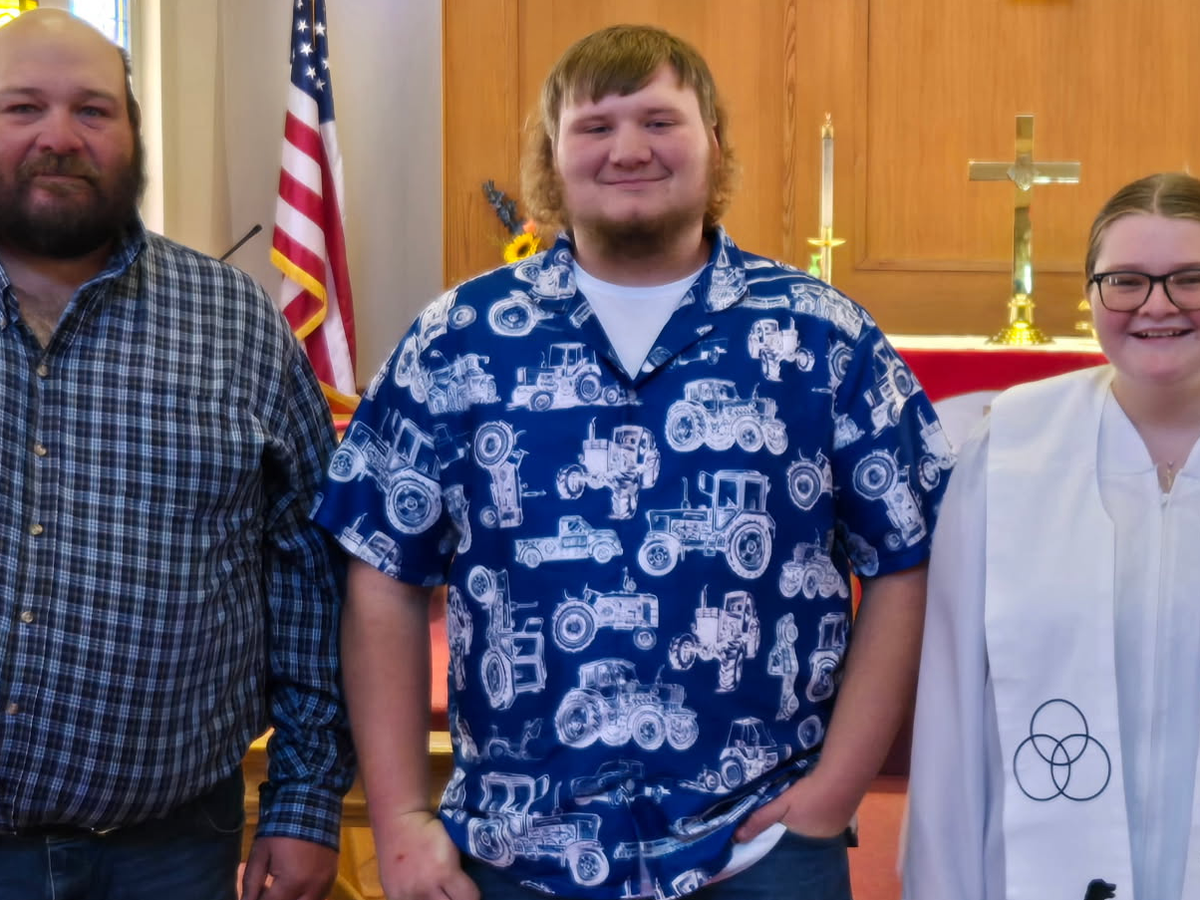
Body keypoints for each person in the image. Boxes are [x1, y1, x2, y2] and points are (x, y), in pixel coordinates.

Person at [315, 23, 945, 900]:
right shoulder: (457, 340)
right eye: (596, 126)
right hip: (517, 852)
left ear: (713, 140)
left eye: (658, 121)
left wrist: (834, 791)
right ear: (553, 153)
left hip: (760, 845)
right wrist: (399, 820)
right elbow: (382, 573)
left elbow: (905, 558)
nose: (628, 150)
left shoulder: (822, 337)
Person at [0, 10, 352, 900]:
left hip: (168, 853)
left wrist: (305, 802)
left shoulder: (235, 325)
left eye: (92, 109)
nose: (58, 137)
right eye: (21, 108)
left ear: (132, 132)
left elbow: (315, 575)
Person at [902, 172, 1200, 900]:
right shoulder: (1012, 446)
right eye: (1125, 280)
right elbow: (951, 703)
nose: (1158, 305)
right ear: (1090, 294)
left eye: (1191, 279)